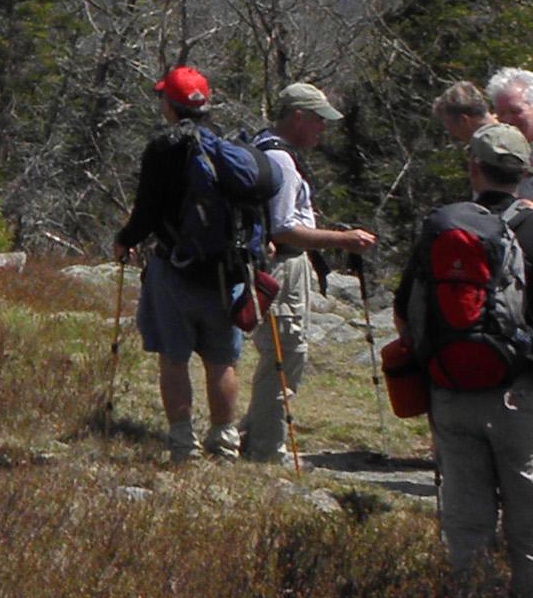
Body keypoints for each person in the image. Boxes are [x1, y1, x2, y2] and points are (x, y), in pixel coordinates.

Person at [393, 118, 533, 598]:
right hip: (523, 398)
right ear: (524, 171)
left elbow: (404, 312)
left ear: (474, 170)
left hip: (452, 393)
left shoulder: (443, 230)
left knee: (466, 523)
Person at [113, 66, 260, 462]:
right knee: (221, 359)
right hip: (223, 272)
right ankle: (225, 440)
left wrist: (125, 240)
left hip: (175, 268)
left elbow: (146, 212)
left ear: (169, 104)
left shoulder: (163, 149)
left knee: (174, 357)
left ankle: (182, 442)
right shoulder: (225, 149)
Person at [239, 80, 381, 461]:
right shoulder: (281, 160)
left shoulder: (259, 145)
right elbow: (284, 227)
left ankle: (254, 435)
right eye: (318, 120)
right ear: (297, 116)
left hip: (272, 268)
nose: (322, 129)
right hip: (284, 269)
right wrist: (342, 239)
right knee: (286, 356)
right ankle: (267, 449)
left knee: (281, 356)